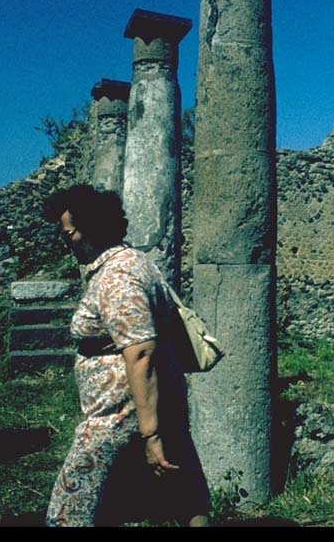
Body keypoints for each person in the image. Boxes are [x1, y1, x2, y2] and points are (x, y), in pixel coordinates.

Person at [42, 184, 210, 527]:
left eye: (68, 232)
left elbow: (140, 353)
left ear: (90, 229)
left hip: (121, 412)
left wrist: (151, 434)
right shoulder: (132, 262)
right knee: (182, 490)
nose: (65, 241)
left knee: (72, 504)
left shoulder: (118, 277)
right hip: (150, 402)